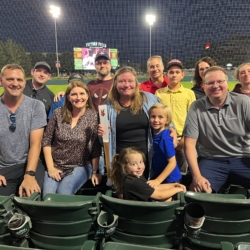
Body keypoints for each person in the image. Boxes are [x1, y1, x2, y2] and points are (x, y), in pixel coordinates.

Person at [98, 66, 177, 180]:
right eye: (122, 81)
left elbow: (164, 116)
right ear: (115, 83)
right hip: (122, 161)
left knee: (145, 189)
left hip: (146, 159)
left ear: (136, 82)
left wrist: (171, 128)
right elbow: (103, 142)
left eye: (130, 81)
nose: (126, 85)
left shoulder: (149, 99)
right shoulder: (108, 107)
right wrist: (101, 134)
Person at [183, 66, 250, 193]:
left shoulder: (243, 102)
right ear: (204, 86)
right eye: (210, 83)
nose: (215, 86)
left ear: (227, 83)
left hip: (243, 157)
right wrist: (197, 177)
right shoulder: (196, 107)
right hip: (211, 160)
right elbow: (189, 144)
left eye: (220, 81)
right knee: (199, 190)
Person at [42, 81, 102, 197]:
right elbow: (46, 141)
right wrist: (51, 168)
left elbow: (95, 147)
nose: (78, 97)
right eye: (74, 94)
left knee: (63, 193)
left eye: (82, 93)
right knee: (47, 196)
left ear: (87, 96)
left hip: (80, 166)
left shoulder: (93, 116)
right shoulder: (58, 113)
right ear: (68, 97)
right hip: (56, 165)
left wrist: (95, 172)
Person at [0, 64, 47, 197]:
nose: (15, 84)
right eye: (10, 79)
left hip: (29, 164)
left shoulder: (36, 106)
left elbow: (36, 143)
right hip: (4, 167)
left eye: (19, 80)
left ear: (24, 82)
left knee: (31, 198)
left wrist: (30, 175)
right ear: (1, 81)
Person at [155, 59, 196, 174]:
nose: (174, 75)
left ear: (183, 74)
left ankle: (181, 190)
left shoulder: (189, 93)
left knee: (182, 170)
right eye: (171, 72)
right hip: (164, 136)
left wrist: (183, 140)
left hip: (182, 139)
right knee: (164, 168)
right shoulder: (159, 93)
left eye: (177, 72)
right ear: (166, 75)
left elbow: (192, 119)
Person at [111, 147, 186, 201]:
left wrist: (173, 185)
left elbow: (152, 187)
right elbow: (160, 195)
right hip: (144, 216)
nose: (139, 167)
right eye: (133, 164)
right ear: (124, 167)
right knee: (168, 199)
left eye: (141, 162)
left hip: (143, 211)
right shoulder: (134, 182)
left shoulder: (135, 177)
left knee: (168, 198)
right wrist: (177, 189)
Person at [147, 103, 181, 188]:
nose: (156, 120)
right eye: (153, 116)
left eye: (160, 117)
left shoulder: (165, 137)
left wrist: (157, 181)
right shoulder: (152, 133)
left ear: (167, 120)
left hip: (170, 179)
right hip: (161, 176)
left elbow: (172, 162)